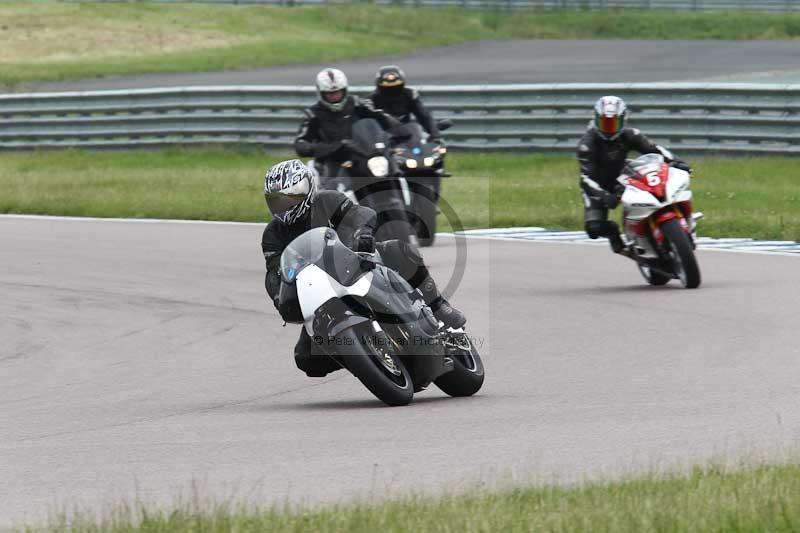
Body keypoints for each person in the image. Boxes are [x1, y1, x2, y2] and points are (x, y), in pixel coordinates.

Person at [261, 159, 466, 377]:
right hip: (321, 292)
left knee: (398, 250)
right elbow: (275, 273)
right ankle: (362, 354)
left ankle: (439, 306)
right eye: (277, 200)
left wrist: (363, 234)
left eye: (291, 197)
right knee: (306, 359)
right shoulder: (272, 235)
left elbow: (360, 214)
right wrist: (279, 297)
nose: (284, 204)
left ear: (308, 187)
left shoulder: (328, 200)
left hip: (358, 262)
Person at [577, 95, 691, 255]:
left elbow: (654, 149)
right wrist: (603, 196)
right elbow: (586, 177)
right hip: (597, 184)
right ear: (596, 120)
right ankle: (617, 239)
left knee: (654, 193)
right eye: (605, 123)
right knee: (594, 228)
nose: (609, 129)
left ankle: (654, 228)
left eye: (613, 123)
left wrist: (677, 162)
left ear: (623, 120)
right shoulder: (587, 144)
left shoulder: (631, 135)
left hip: (622, 176)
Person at [295, 68, 401, 178]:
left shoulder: (357, 104)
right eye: (330, 94)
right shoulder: (313, 114)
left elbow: (380, 116)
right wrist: (327, 148)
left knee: (397, 167)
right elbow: (301, 143)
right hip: (333, 160)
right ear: (321, 94)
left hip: (362, 156)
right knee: (331, 186)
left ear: (345, 90)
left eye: (338, 93)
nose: (335, 97)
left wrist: (394, 127)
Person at [369, 65, 441, 143]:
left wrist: (435, 134)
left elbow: (423, 115)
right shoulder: (372, 99)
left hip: (409, 134)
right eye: (387, 89)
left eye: (396, 88)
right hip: (384, 138)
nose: (392, 92)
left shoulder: (409, 94)